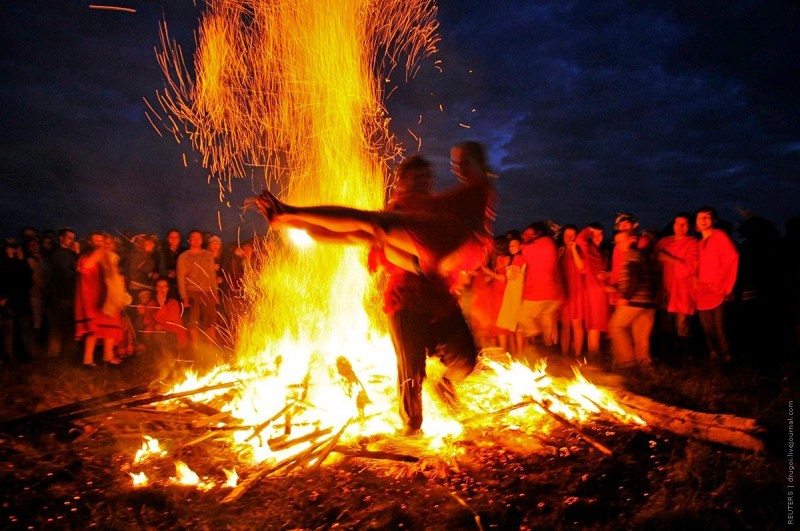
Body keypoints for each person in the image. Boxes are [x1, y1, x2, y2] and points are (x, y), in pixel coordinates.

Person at [256, 141, 497, 279]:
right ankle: (290, 217)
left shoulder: (476, 190)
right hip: (429, 259)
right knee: (364, 231)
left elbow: (443, 206)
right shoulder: (411, 207)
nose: (458, 169)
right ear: (402, 181)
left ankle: (289, 214)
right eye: (456, 164)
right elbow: (348, 235)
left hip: (444, 250)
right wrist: (301, 225)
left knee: (370, 224)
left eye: (463, 162)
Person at [367, 155, 479, 436]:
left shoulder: (438, 212)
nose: (421, 181)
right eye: (414, 177)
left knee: (465, 358)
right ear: (401, 182)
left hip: (440, 299)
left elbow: (456, 242)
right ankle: (411, 426)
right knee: (411, 369)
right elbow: (385, 250)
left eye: (425, 177)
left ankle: (442, 383)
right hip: (405, 300)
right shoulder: (393, 213)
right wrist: (418, 264)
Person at [74, 232, 129, 367]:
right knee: (94, 330)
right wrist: (98, 253)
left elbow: (114, 277)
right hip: (94, 300)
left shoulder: (109, 259)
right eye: (96, 241)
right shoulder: (86, 258)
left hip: (109, 299)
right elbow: (86, 267)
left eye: (102, 241)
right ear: (90, 243)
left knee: (110, 328)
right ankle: (88, 360)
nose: (100, 243)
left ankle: (108, 357)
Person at [607, 230, 657, 369]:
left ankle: (627, 362)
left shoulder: (631, 256)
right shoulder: (641, 255)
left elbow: (635, 278)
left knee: (616, 326)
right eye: (617, 242)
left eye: (622, 241)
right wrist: (615, 289)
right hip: (647, 302)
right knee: (641, 338)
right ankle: (645, 368)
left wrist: (626, 297)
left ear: (631, 239)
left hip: (635, 301)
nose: (619, 245)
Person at [695, 206, 739, 364]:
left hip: (717, 288)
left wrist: (724, 285)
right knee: (706, 325)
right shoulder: (700, 243)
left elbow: (732, 257)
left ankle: (727, 355)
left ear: (713, 220)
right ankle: (713, 353)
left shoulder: (719, 235)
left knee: (719, 325)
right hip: (703, 289)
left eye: (706, 217)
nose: (703, 220)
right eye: (700, 217)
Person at [654, 213, 698, 362]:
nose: (680, 227)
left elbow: (690, 267)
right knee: (666, 326)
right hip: (666, 289)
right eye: (677, 223)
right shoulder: (664, 242)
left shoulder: (692, 243)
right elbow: (655, 263)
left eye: (684, 224)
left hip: (683, 290)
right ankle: (668, 358)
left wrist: (669, 259)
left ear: (689, 227)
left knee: (682, 326)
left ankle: (684, 359)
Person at [517, 221, 562, 352]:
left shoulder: (534, 247)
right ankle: (547, 348)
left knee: (523, 318)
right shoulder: (550, 243)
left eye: (528, 233)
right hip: (552, 293)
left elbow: (524, 251)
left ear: (538, 233)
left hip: (538, 292)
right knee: (544, 319)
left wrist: (523, 245)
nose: (524, 235)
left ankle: (538, 341)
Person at [176, 230, 218, 356]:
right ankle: (196, 348)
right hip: (191, 292)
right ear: (189, 241)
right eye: (193, 238)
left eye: (198, 238)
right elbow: (180, 277)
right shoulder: (183, 257)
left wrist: (215, 292)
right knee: (193, 322)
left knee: (210, 321)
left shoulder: (208, 255)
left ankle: (211, 347)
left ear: (201, 240)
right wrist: (184, 297)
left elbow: (212, 274)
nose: (196, 240)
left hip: (207, 291)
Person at [576, 223, 610, 359]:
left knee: (597, 326)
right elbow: (579, 239)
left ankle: (594, 356)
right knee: (595, 326)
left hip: (602, 292)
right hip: (593, 292)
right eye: (594, 235)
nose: (597, 237)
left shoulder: (603, 253)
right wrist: (589, 229)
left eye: (600, 234)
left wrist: (608, 274)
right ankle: (593, 357)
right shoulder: (588, 249)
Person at [46, 228, 78, 358]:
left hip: (71, 293)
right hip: (61, 293)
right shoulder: (57, 253)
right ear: (61, 238)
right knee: (58, 324)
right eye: (69, 238)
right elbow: (64, 272)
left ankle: (68, 352)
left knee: (69, 323)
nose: (72, 241)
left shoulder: (71, 253)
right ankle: (54, 352)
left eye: (73, 238)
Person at [494, 233, 525, 355]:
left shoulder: (518, 258)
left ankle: (520, 354)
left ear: (520, 246)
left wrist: (505, 269)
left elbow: (512, 275)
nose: (511, 248)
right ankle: (517, 353)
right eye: (510, 246)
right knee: (515, 326)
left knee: (516, 326)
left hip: (516, 292)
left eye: (514, 245)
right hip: (514, 292)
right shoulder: (516, 257)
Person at [558, 224, 586, 358]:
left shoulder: (580, 251)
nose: (569, 238)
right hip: (565, 291)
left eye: (572, 235)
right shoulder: (560, 251)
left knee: (577, 323)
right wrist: (559, 255)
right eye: (567, 235)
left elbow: (581, 267)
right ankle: (564, 354)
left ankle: (578, 356)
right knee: (565, 325)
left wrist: (574, 250)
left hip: (577, 290)